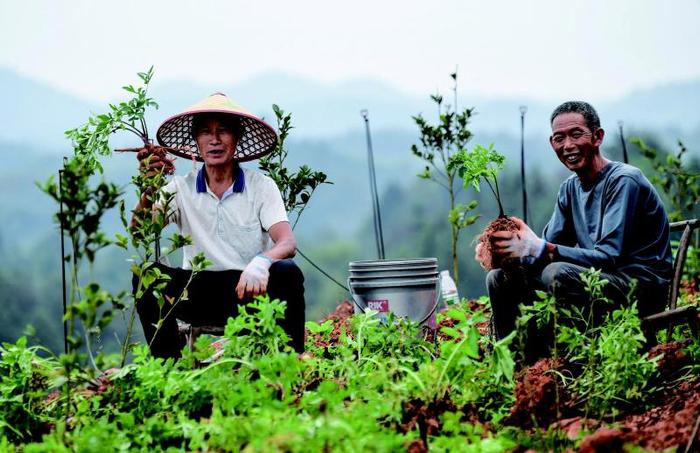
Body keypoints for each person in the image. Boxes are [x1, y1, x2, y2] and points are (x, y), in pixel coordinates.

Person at [478, 101, 672, 357]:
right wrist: (505, 251)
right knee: (499, 278)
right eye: (560, 138)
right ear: (552, 144)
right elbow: (544, 250)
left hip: (639, 287)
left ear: (598, 137)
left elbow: (609, 256)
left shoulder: (624, 181)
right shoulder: (570, 189)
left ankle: (577, 356)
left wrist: (538, 247)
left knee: (557, 274)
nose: (568, 145)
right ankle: (523, 365)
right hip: (601, 279)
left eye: (576, 134)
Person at [132, 92, 305, 358]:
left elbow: (287, 242)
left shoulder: (261, 186)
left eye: (223, 131)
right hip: (196, 292)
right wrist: (148, 191)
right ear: (197, 141)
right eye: (205, 132)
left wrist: (262, 262)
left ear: (236, 139)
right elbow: (140, 231)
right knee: (146, 275)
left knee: (288, 272)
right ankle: (169, 369)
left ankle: (290, 364)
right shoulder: (180, 188)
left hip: (247, 289)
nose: (214, 140)